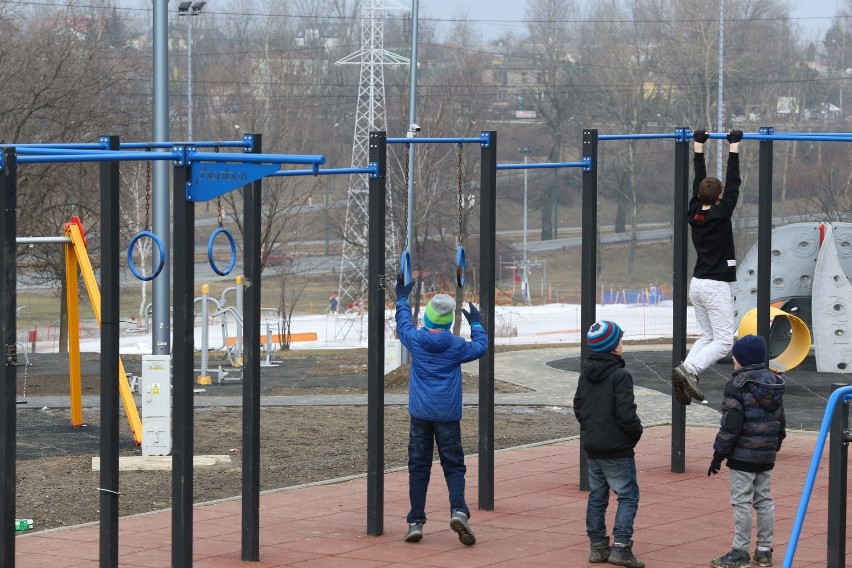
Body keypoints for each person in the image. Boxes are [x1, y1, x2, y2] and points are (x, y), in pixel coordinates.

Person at [394, 277, 488, 546]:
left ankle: (415, 521)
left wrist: (402, 299)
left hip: (420, 415)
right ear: (447, 323)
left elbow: (402, 324)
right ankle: (458, 511)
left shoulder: (415, 339)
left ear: (427, 318)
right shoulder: (456, 346)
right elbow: (481, 347)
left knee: (418, 466)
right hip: (447, 415)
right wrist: (477, 323)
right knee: (454, 465)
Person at [672, 128, 744, 406]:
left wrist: (698, 146)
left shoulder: (694, 211)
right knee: (725, 342)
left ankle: (684, 375)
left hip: (698, 285)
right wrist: (733, 146)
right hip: (714, 286)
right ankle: (689, 370)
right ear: (719, 197)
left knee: (709, 336)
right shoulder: (721, 212)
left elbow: (698, 182)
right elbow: (734, 182)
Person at [708, 334, 786, 568]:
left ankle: (740, 551)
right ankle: (764, 550)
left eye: (736, 354)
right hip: (765, 454)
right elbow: (781, 421)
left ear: (742, 359)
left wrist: (719, 454)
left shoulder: (737, 385)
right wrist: (774, 445)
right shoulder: (774, 382)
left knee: (741, 500)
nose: (733, 357)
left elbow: (731, 423)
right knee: (764, 499)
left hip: (742, 454)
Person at [573, 321, 644, 568]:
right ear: (614, 348)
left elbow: (579, 407)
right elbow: (627, 414)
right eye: (620, 341)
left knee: (597, 496)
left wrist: (591, 431)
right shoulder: (620, 376)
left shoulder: (585, 375)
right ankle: (622, 547)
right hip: (618, 448)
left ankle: (598, 547)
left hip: (593, 446)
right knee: (628, 496)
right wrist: (635, 434)